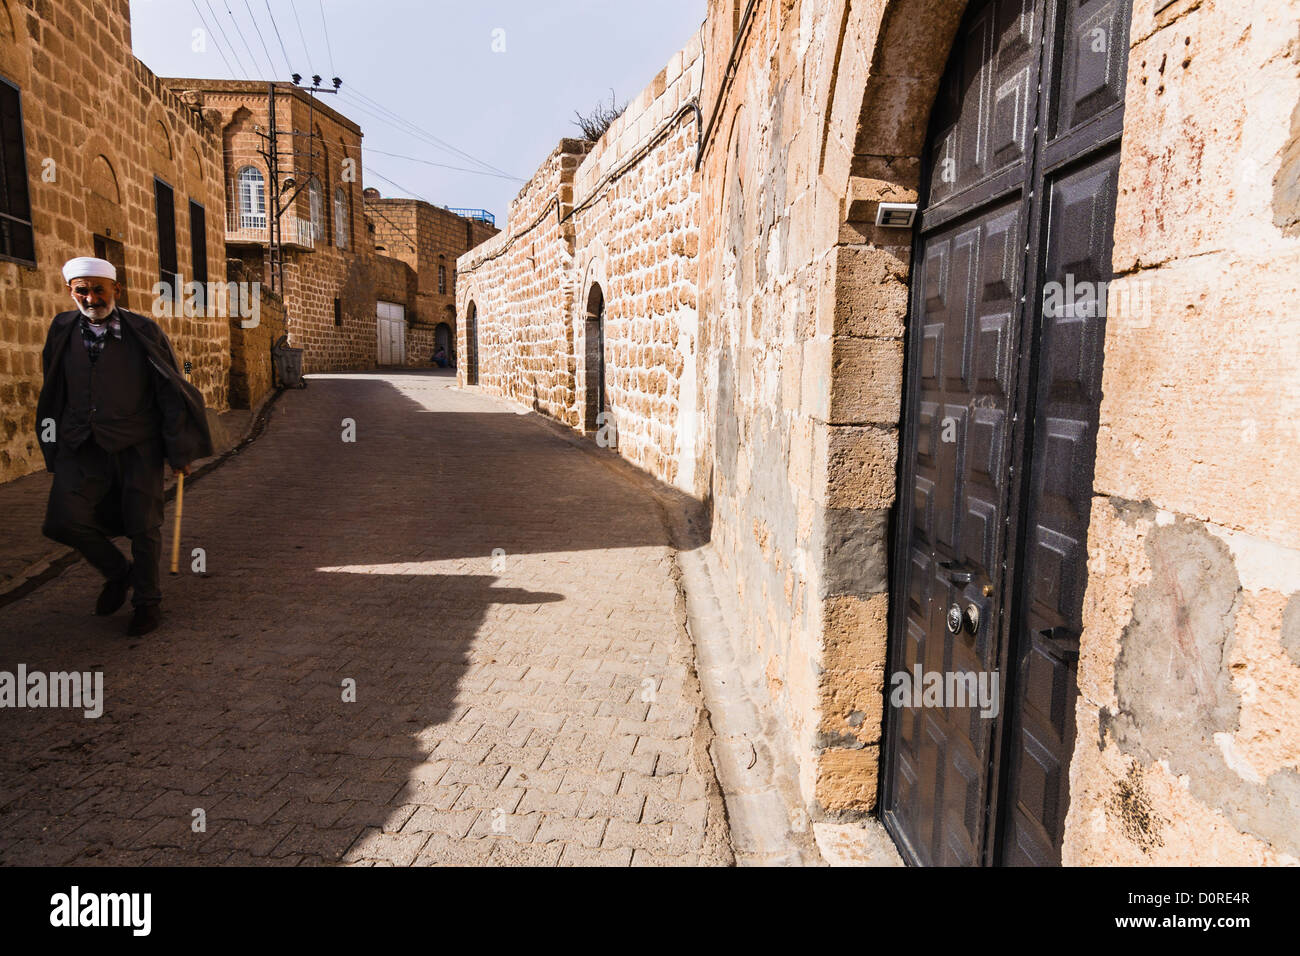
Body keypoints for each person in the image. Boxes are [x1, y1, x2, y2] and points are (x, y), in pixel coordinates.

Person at [36, 257, 213, 636]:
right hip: (79, 444)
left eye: (98, 289)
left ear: (117, 289)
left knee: (143, 526)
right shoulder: (62, 329)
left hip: (137, 446)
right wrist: (52, 442)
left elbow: (169, 390)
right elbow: (53, 388)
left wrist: (178, 450)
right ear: (70, 291)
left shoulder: (142, 330)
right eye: (81, 289)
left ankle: (147, 602)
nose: (90, 297)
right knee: (61, 521)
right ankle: (119, 573)